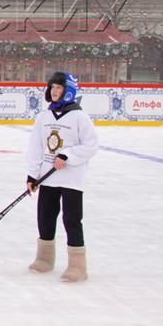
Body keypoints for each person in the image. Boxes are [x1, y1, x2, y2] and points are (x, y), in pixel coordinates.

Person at [25, 71, 100, 283]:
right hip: (48, 177)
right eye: (52, 88)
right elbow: (35, 147)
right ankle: (44, 259)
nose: (55, 91)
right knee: (45, 217)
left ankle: (77, 266)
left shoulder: (79, 117)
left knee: (71, 219)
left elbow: (91, 145)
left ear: (69, 91)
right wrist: (32, 174)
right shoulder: (43, 117)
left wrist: (68, 156)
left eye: (59, 88)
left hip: (71, 179)